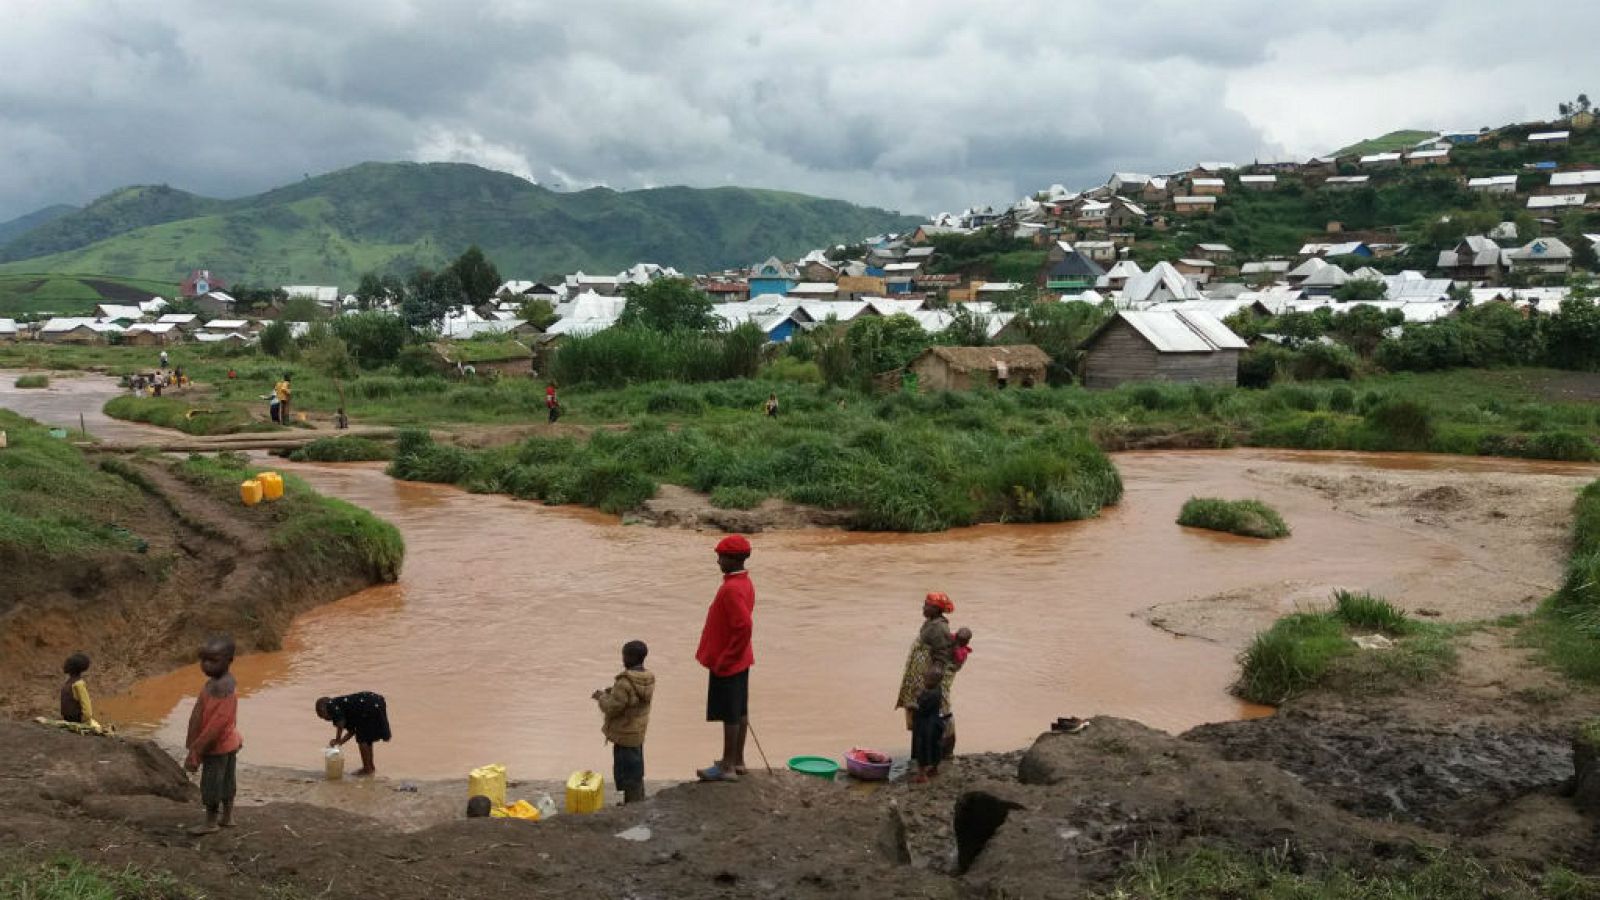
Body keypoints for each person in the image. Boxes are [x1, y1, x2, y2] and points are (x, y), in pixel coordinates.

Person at [696, 534, 755, 783]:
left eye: (721, 557)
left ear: (733, 559)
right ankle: (737, 760)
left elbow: (743, 626)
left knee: (730, 714)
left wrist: (726, 659)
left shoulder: (731, 589)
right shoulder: (744, 583)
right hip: (740, 659)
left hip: (728, 661)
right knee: (739, 710)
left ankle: (727, 767)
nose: (718, 561)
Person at [184, 636, 242, 835]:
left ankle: (211, 822)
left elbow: (216, 724)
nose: (206, 665)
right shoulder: (224, 682)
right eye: (203, 660)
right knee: (227, 779)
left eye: (213, 660)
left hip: (216, 746)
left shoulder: (220, 687)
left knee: (212, 783)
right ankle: (227, 816)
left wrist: (197, 749)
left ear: (229, 660)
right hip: (229, 742)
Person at [594, 639, 655, 804]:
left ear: (630, 657)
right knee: (636, 768)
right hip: (638, 732)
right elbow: (634, 701)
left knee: (626, 770)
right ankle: (637, 800)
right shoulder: (648, 678)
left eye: (624, 656)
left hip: (624, 733)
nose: (622, 660)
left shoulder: (624, 682)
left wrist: (601, 697)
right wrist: (612, 692)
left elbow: (613, 708)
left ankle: (633, 804)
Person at [895, 592, 956, 730]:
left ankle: (943, 739)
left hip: (928, 677)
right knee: (917, 708)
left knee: (932, 709)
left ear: (936, 609)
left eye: (927, 606)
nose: (923, 608)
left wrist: (933, 677)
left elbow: (941, 655)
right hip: (921, 676)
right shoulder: (931, 623)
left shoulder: (939, 628)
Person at [315, 692, 391, 777]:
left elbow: (340, 723)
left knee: (362, 739)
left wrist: (337, 739)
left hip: (368, 705)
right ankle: (370, 767)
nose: (326, 719)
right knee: (367, 738)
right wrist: (340, 742)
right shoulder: (346, 708)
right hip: (375, 702)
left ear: (323, 709)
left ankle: (366, 769)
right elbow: (352, 731)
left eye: (323, 716)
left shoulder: (331, 705)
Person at [910, 665, 945, 783]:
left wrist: (914, 703)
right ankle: (934, 768)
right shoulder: (938, 690)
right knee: (935, 747)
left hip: (925, 727)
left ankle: (922, 775)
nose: (924, 681)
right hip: (936, 724)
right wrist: (921, 692)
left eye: (926, 680)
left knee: (922, 749)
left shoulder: (929, 695)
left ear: (931, 681)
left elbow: (921, 708)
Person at [60, 652, 100, 731]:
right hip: (78, 721)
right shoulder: (79, 684)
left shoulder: (66, 684)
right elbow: (87, 710)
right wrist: (86, 722)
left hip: (67, 719)